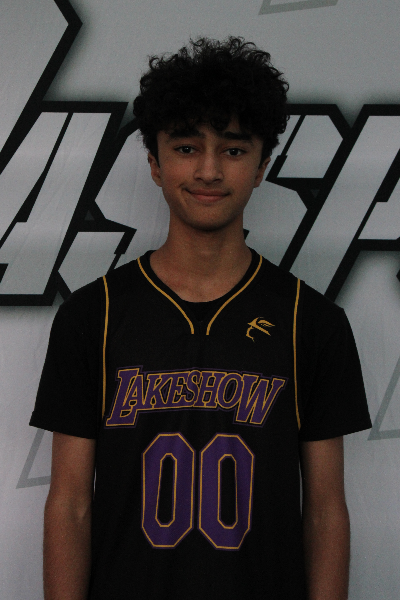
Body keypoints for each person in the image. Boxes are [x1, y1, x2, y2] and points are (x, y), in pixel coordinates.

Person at [30, 37, 371, 600]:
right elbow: (69, 504)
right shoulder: (93, 315)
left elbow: (326, 511)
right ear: (155, 162)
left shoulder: (310, 322)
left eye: (233, 150)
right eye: (187, 147)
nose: (209, 170)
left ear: (261, 166)